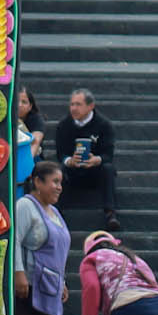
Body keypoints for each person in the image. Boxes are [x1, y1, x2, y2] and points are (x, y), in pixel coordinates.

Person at [12, 159, 71, 315]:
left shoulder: (54, 212)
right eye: (54, 182)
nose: (59, 187)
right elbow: (15, 239)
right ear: (37, 181)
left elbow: (59, 250)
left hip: (51, 286)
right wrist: (19, 273)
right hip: (29, 285)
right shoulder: (25, 206)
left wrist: (63, 281)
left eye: (60, 183)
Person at [46, 86, 121, 231]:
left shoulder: (104, 125)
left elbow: (108, 155)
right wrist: (70, 161)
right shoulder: (64, 125)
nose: (74, 108)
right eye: (72, 104)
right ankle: (55, 214)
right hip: (72, 172)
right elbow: (61, 154)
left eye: (78, 104)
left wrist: (96, 160)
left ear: (90, 106)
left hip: (95, 172)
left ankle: (110, 213)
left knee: (108, 168)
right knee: (58, 169)